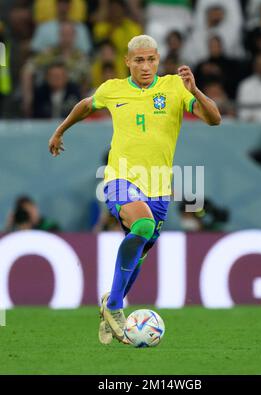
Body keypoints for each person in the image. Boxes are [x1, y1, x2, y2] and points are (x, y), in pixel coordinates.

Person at [48, 34, 221, 345]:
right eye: (139, 60)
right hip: (119, 179)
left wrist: (194, 90)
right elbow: (86, 106)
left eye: (151, 59)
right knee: (141, 225)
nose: (146, 66)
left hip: (159, 189)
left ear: (158, 59)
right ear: (127, 61)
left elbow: (214, 119)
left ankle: (111, 301)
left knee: (140, 249)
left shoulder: (173, 87)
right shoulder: (112, 89)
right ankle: (115, 306)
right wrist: (60, 130)